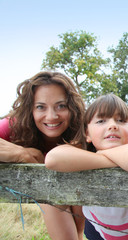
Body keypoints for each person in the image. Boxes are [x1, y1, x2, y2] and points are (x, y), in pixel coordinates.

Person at [45, 93, 128, 240]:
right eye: (101, 121)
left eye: (121, 120)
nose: (113, 125)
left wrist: (102, 154)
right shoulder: (84, 156)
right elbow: (52, 159)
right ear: (87, 133)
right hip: (96, 230)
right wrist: (104, 156)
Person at [0, 71, 86, 239]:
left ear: (72, 107)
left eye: (61, 105)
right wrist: (21, 154)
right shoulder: (15, 125)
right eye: (40, 107)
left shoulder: (85, 128)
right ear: (30, 109)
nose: (51, 116)